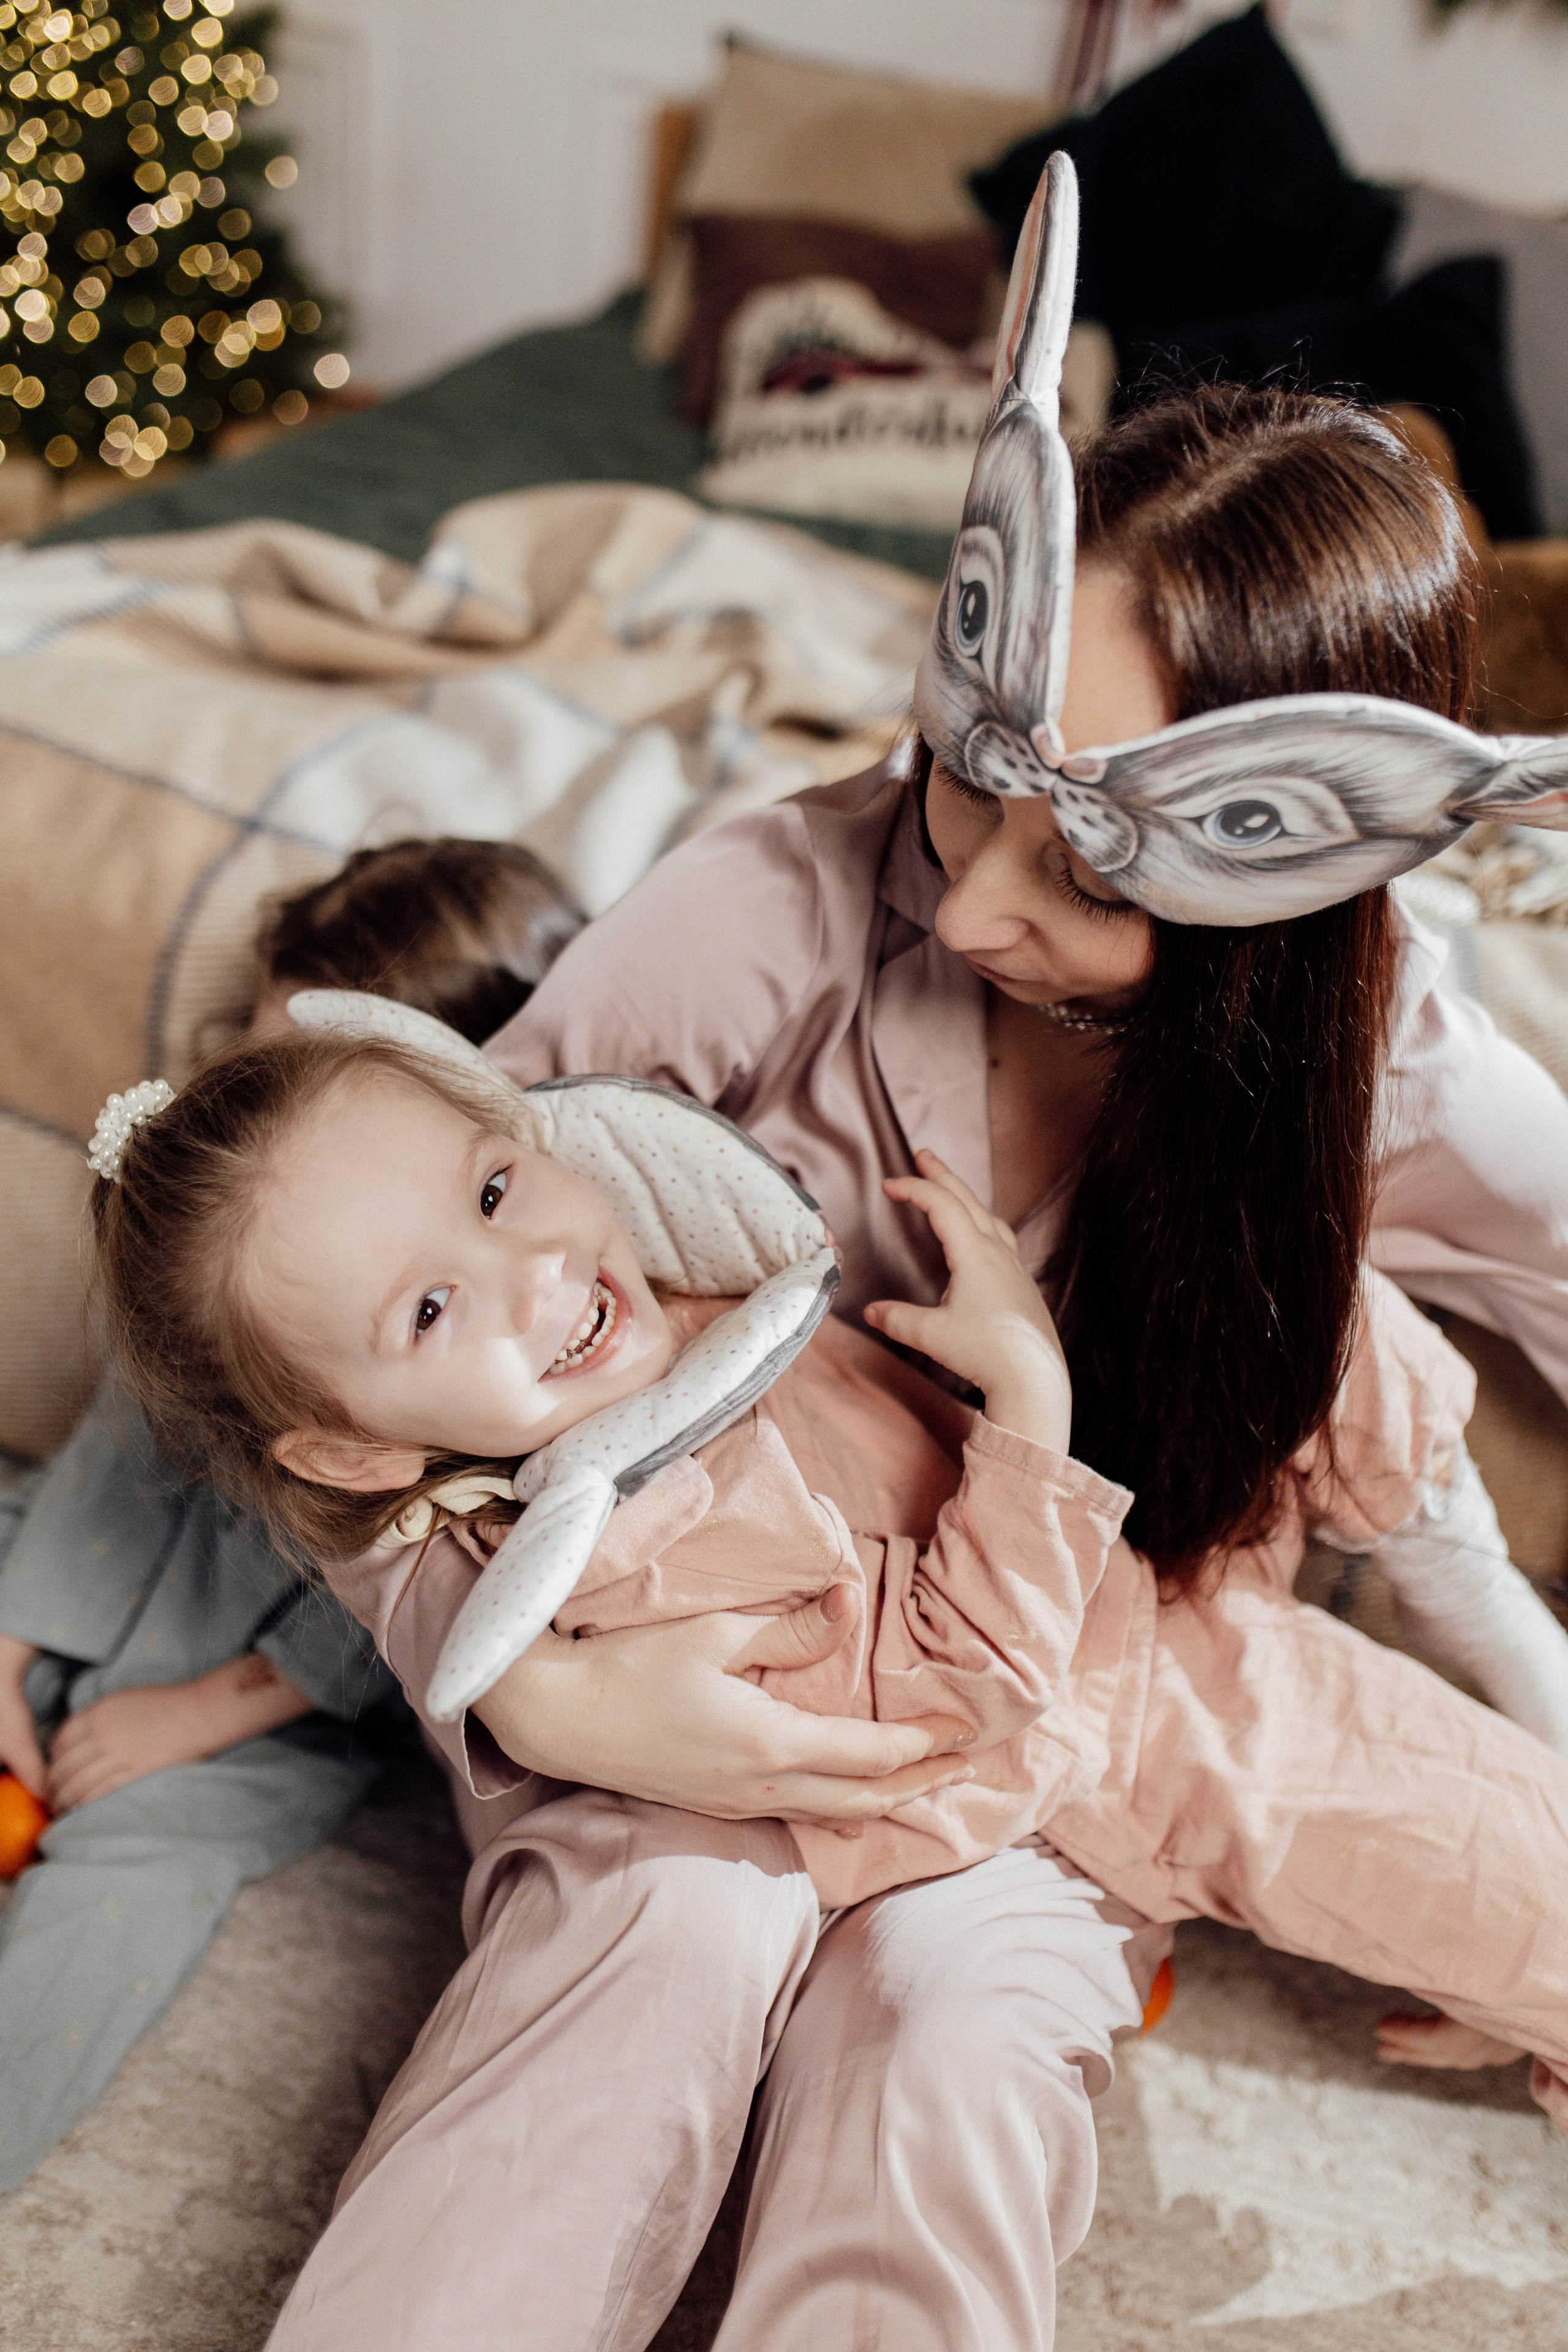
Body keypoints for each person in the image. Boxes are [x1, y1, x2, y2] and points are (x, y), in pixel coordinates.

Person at [226, 179, 1568, 2347]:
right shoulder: (768, 905)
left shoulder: (1387, 1057)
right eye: (967, 779)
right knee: (662, 1942)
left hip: (1049, 1712)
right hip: (693, 1656)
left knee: (951, 2025)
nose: (970, 905)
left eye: (1093, 872)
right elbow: (377, 1312)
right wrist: (536, 1681)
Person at [80, 995, 1568, 2352]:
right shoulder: (616, 1542)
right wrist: (1028, 1405)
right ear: (356, 1451)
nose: (531, 1275)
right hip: (987, 1786)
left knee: (1501, 1856)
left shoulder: (723, 1306)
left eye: (493, 1191)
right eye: (428, 1310)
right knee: (925, 2077)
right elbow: (953, 1694)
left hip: (1153, 1673)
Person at [0, 835, 582, 2196]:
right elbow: (101, 1460)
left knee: (133, 1878)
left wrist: (201, 1713)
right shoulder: (231, 1260)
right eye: (254, 1061)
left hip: (271, 1708)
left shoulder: (485, 1358)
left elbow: (421, 1598)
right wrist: (13, 1641)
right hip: (92, 1556)